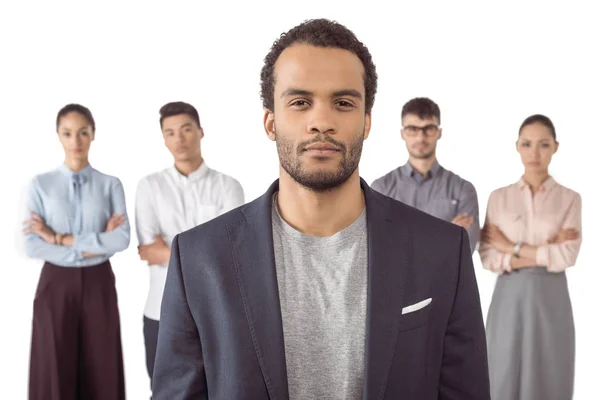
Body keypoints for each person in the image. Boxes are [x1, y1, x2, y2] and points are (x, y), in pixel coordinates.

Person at [152, 18, 490, 399]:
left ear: (366, 122)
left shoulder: (442, 250)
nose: (322, 121)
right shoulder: (198, 257)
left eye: (343, 103)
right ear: (270, 122)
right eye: (300, 102)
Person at [134, 101, 245, 390]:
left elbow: (231, 254)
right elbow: (149, 249)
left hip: (217, 312)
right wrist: (204, 254)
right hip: (159, 311)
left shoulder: (228, 187)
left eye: (185, 129)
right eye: (170, 132)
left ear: (201, 131)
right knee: (165, 392)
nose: (179, 139)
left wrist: (168, 252)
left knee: (222, 389)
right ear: (163, 138)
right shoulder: (150, 186)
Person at [23, 104, 130, 400]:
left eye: (83, 132)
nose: (76, 141)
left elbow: (121, 239)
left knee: (101, 360)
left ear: (93, 134)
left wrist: (58, 238)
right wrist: (94, 246)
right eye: (68, 133)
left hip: (99, 281)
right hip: (55, 282)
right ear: (58, 136)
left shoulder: (110, 184)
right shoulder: (40, 185)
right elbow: (30, 244)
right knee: (55, 359)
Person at [479, 114, 582, 400]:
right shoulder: (499, 197)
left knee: (550, 374)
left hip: (551, 298)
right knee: (502, 373)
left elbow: (567, 255)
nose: (534, 153)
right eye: (527, 144)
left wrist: (511, 247)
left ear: (555, 147)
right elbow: (487, 255)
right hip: (508, 297)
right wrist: (545, 249)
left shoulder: (569, 199)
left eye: (543, 145)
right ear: (517, 147)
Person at [371, 97, 480, 254]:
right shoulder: (381, 189)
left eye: (428, 128)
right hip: (395, 279)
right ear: (402, 133)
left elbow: (464, 251)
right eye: (412, 129)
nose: (420, 137)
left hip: (444, 279)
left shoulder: (463, 189)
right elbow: (378, 247)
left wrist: (403, 239)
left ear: (439, 132)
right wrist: (446, 234)